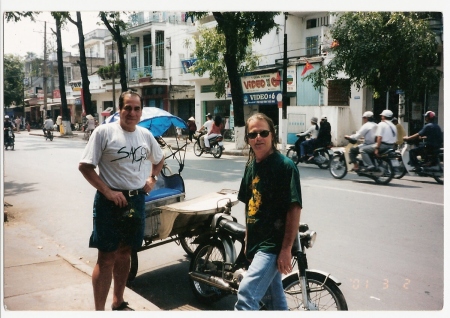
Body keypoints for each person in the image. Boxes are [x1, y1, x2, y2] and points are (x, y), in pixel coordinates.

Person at [78, 90, 164, 311]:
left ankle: (118, 301)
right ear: (119, 109)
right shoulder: (104, 132)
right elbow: (85, 167)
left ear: (141, 111)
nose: (132, 112)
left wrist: (152, 178)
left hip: (135, 202)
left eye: (136, 108)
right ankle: (99, 311)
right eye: (128, 107)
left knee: (125, 253)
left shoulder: (145, 135)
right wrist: (107, 192)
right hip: (110, 202)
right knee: (106, 257)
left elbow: (159, 159)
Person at [236, 113, 302, 311]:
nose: (258, 138)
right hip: (258, 243)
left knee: (246, 295)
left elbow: (294, 208)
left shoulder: (285, 166)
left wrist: (285, 249)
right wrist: (248, 240)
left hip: (273, 245)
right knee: (274, 301)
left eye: (263, 133)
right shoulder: (250, 166)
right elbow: (249, 205)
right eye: (253, 134)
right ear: (247, 139)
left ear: (272, 135)